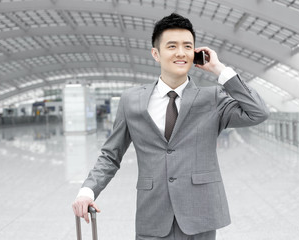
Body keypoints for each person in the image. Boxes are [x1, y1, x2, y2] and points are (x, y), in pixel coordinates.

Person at [73, 13, 269, 240]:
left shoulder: (212, 98)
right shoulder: (131, 100)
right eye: (172, 46)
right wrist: (87, 191)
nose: (180, 52)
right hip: (153, 215)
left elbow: (258, 112)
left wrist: (219, 69)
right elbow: (110, 155)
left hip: (200, 215)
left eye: (187, 46)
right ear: (156, 54)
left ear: (195, 52)